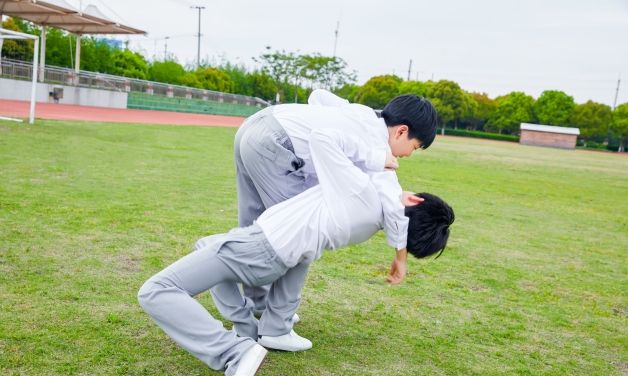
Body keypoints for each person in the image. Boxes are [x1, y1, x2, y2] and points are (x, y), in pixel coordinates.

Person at [138, 126, 454, 376]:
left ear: (413, 201)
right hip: (266, 253)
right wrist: (399, 255)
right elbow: (391, 201)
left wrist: (377, 154)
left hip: (259, 249)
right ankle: (246, 328)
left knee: (156, 291)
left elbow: (323, 137)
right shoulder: (370, 220)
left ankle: (233, 352)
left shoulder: (360, 191)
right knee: (207, 245)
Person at [224, 89, 439, 348]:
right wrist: (400, 256)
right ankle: (276, 327)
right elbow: (394, 205)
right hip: (275, 143)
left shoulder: (361, 113)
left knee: (254, 219)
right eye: (413, 147)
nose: (407, 155)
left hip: (255, 124)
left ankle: (259, 304)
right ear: (401, 131)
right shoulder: (379, 147)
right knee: (300, 233)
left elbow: (319, 95)